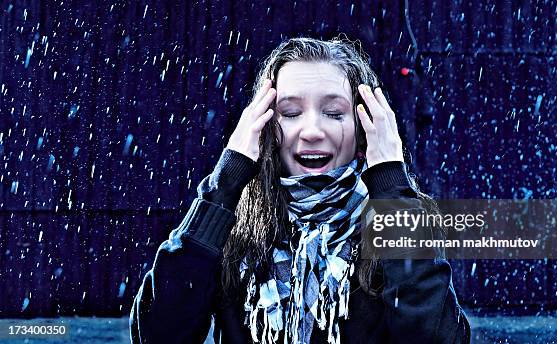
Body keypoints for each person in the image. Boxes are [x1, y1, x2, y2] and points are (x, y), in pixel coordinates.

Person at [130, 36, 470, 344]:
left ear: (363, 129)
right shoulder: (232, 225)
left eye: (334, 113)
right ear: (264, 128)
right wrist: (226, 181)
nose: (311, 130)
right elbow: (158, 335)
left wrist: (392, 187)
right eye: (290, 113)